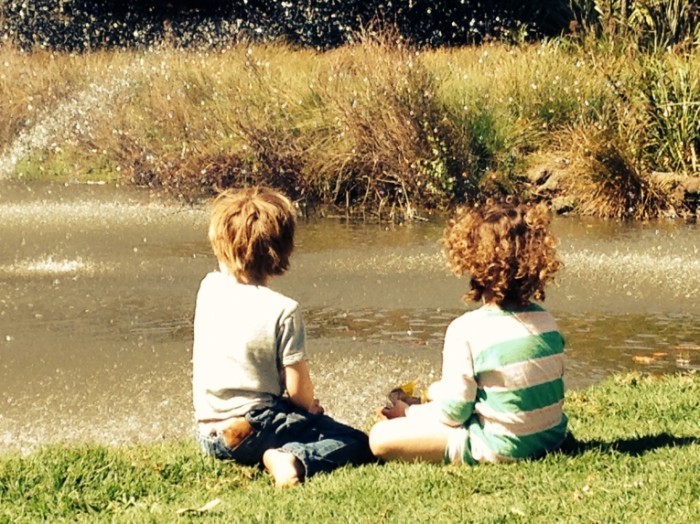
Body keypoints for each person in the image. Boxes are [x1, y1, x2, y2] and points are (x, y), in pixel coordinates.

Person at [193, 186, 374, 487]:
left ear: (221, 243)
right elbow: (299, 392)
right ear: (282, 249)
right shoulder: (283, 310)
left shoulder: (209, 288)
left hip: (209, 436)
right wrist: (308, 410)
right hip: (257, 427)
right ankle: (288, 458)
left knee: (289, 416)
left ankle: (274, 451)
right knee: (356, 441)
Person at [369, 199, 568, 465]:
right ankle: (432, 395)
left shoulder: (466, 329)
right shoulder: (546, 321)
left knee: (380, 437)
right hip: (551, 439)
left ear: (471, 259)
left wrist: (410, 412)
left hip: (501, 446)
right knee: (443, 389)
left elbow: (454, 414)